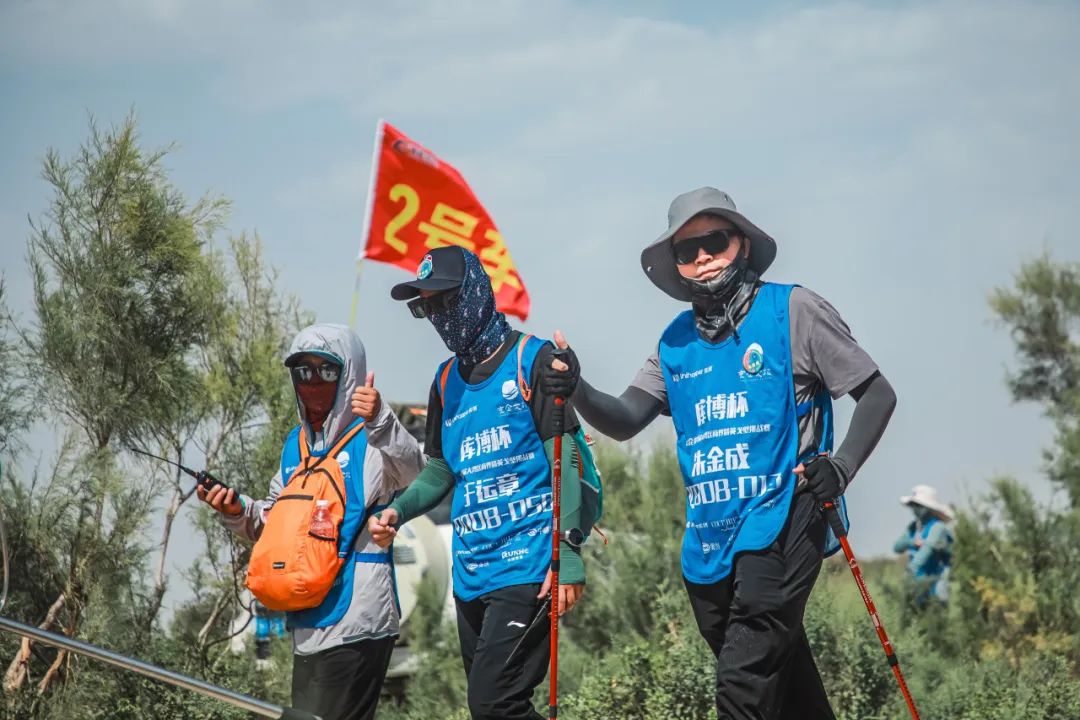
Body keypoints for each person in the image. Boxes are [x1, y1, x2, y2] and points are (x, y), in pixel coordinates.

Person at [547, 187, 897, 719]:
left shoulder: (793, 311)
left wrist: (842, 466)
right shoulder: (675, 343)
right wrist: (576, 386)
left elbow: (877, 394)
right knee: (783, 687)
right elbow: (624, 418)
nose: (703, 257)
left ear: (744, 244)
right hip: (709, 540)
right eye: (688, 250)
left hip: (787, 513)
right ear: (677, 265)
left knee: (742, 686)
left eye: (714, 241)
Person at [367, 246, 585, 720]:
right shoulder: (445, 382)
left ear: (475, 292)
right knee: (494, 708)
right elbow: (441, 470)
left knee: (492, 703)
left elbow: (567, 459)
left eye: (445, 301)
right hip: (470, 576)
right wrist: (398, 510)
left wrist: (568, 554)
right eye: (426, 308)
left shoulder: (532, 360)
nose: (438, 318)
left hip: (528, 566)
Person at [198, 323, 424, 720]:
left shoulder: (372, 439)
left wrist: (381, 419)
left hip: (357, 621)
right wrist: (236, 510)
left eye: (327, 370)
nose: (314, 381)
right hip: (307, 624)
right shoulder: (295, 446)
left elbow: (417, 473)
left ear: (349, 374)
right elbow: (275, 523)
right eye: (303, 371)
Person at [894, 484, 954, 604]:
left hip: (936, 583)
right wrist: (912, 542)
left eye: (918, 505)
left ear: (927, 508)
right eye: (913, 505)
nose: (914, 509)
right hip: (919, 582)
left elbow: (926, 550)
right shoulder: (913, 527)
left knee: (935, 610)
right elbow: (897, 547)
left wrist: (910, 570)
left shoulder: (938, 527)